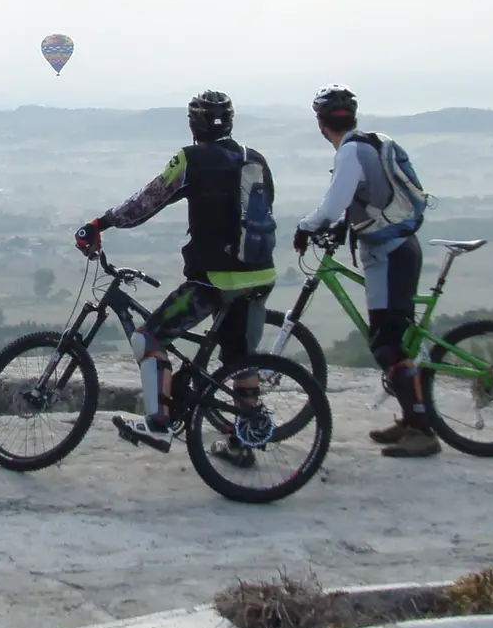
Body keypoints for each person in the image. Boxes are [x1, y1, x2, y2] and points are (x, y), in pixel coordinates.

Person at [75, 90, 276, 462]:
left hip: (212, 281)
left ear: (192, 124)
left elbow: (145, 202)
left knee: (147, 338)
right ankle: (243, 442)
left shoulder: (191, 158)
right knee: (239, 359)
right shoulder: (256, 159)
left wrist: (100, 223)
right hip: (260, 275)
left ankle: (158, 422)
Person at [294, 85, 440, 458]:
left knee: (387, 343)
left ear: (320, 123)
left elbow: (331, 207)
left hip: (389, 254)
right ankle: (411, 419)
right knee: (396, 340)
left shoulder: (351, 152)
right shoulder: (369, 144)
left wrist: (305, 227)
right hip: (398, 249)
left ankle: (422, 432)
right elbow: (362, 200)